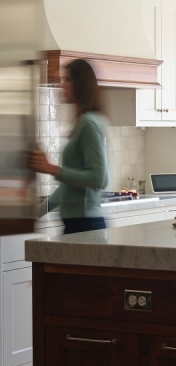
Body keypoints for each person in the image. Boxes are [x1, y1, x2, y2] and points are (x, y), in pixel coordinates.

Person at [28, 59, 108, 234]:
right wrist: (37, 212)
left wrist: (51, 168)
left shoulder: (88, 123)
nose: (62, 86)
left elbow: (99, 178)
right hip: (78, 223)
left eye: (68, 80)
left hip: (85, 224)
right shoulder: (83, 122)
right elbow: (69, 186)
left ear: (81, 84)